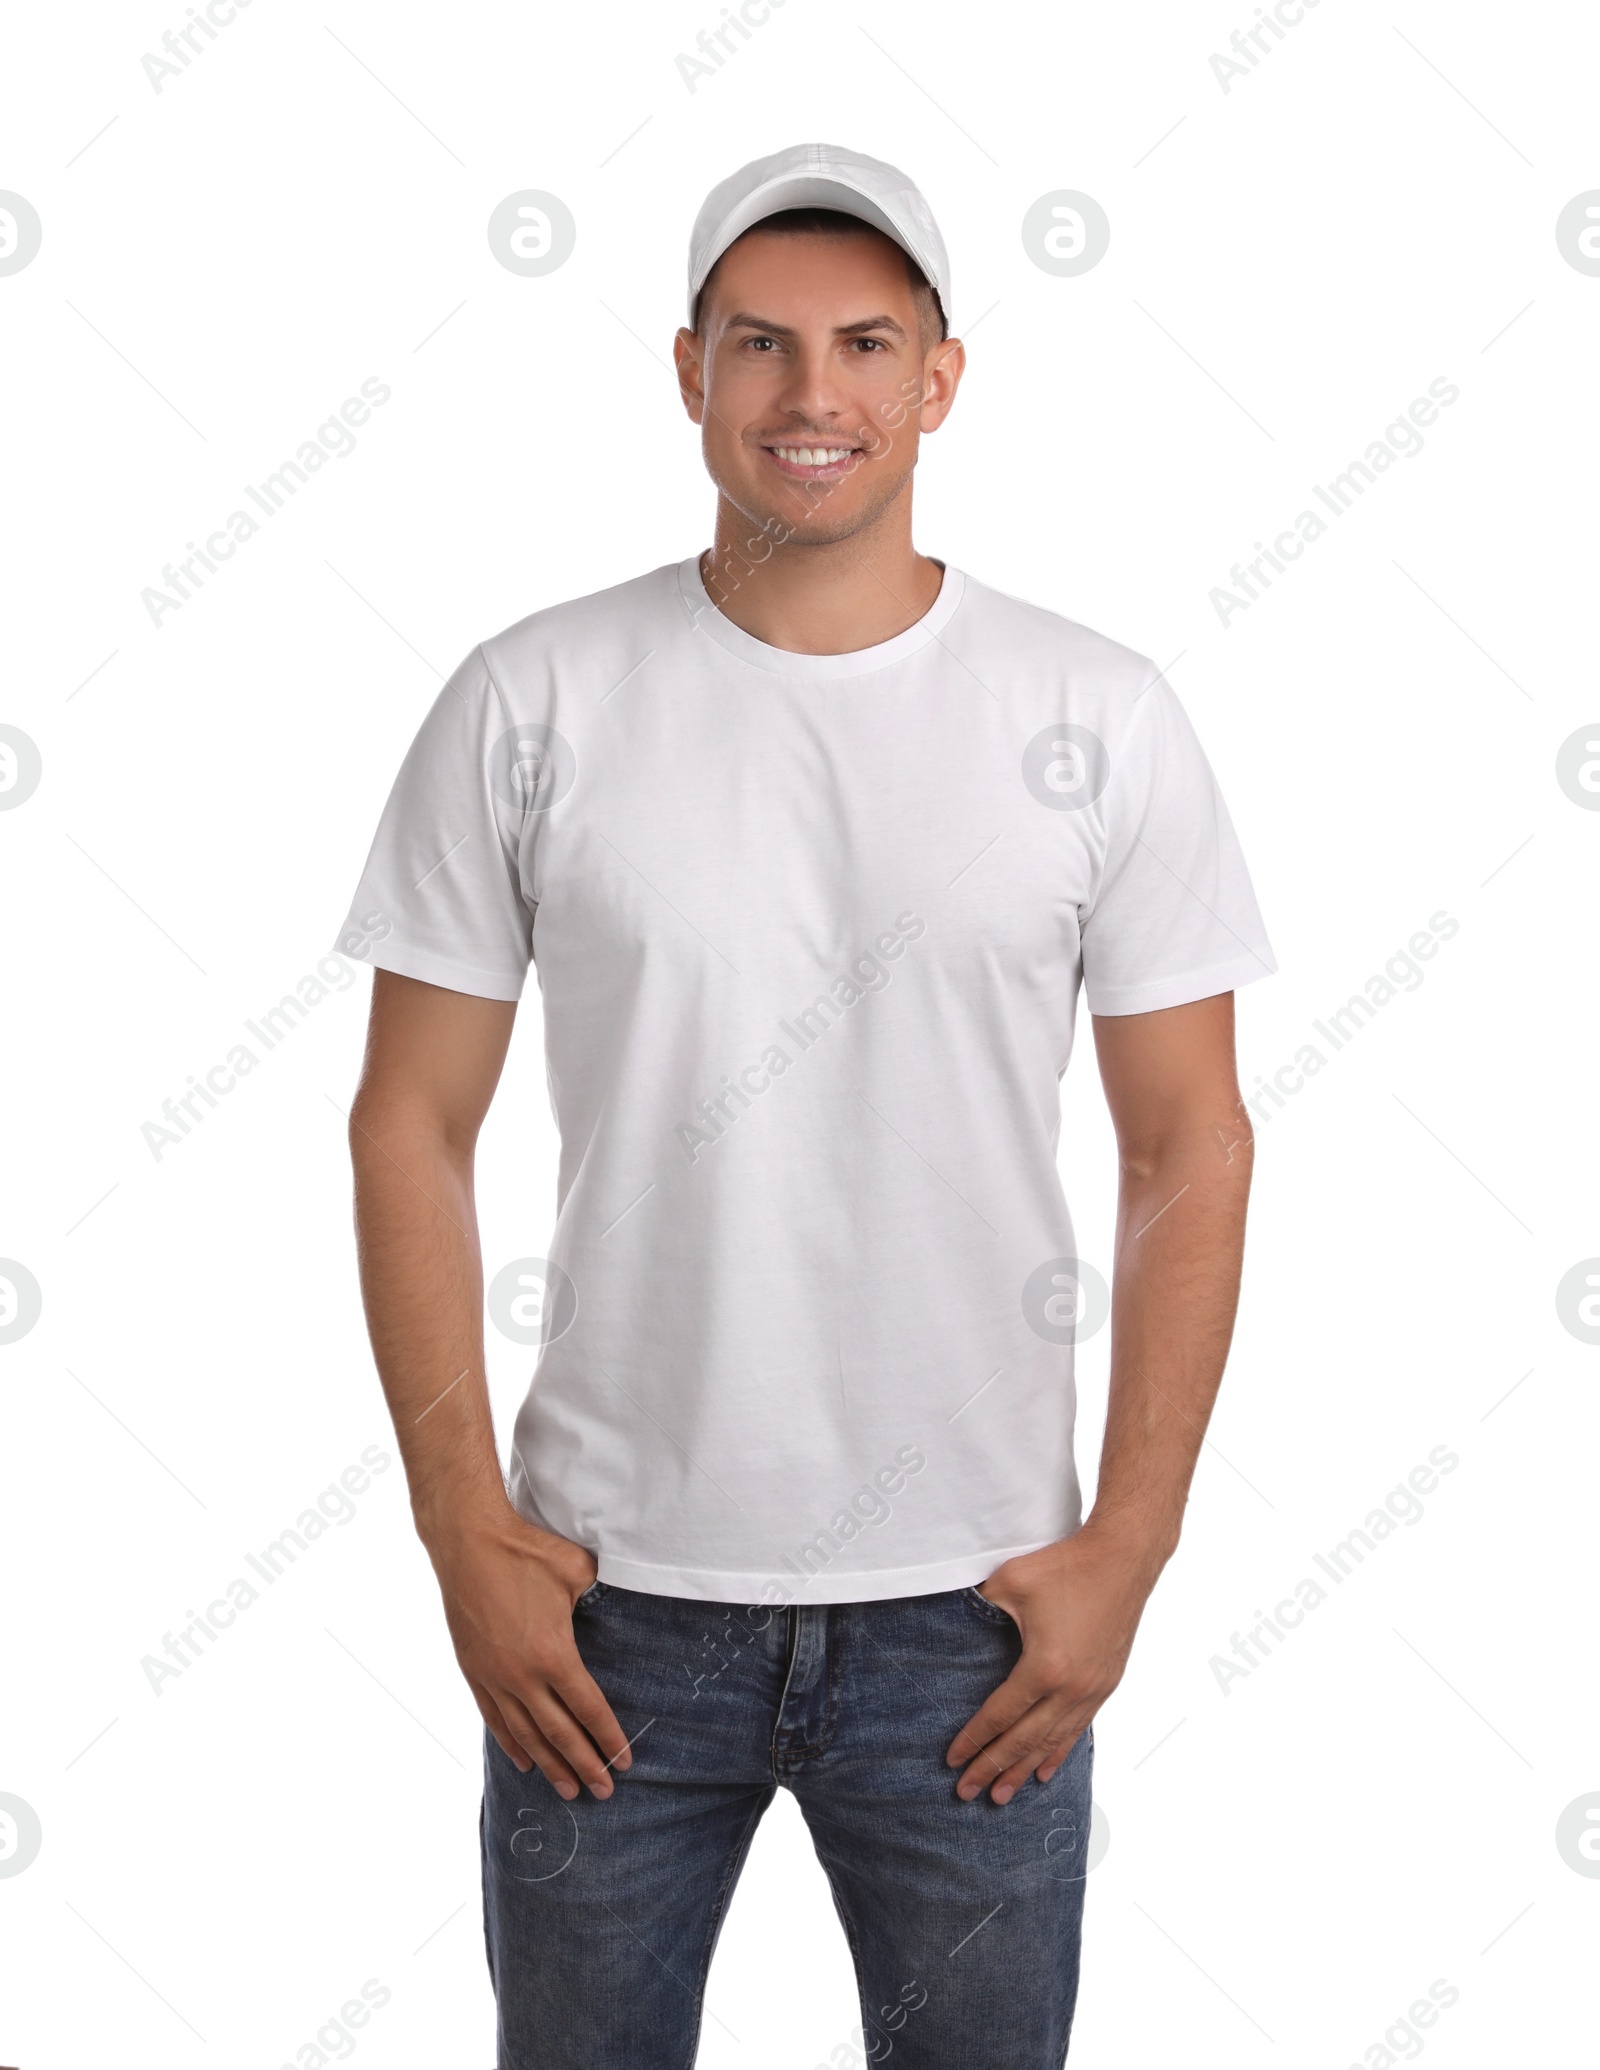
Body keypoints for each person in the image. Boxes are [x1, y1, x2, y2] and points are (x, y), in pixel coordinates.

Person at [336, 141, 1275, 2069]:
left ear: (942, 378)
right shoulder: (534, 698)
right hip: (603, 1617)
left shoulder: (1099, 715)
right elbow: (406, 1123)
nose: (811, 395)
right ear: (688, 372)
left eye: (865, 343)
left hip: (978, 1622)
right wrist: (461, 1525)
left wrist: (1134, 1542)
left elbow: (1192, 1139)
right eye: (760, 345)